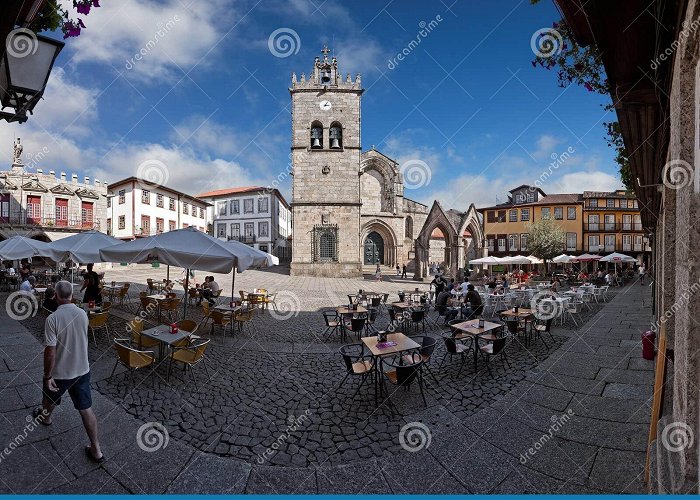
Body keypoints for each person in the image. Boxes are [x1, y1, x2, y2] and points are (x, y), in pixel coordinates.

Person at [35, 281, 104, 462]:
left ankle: (47, 417)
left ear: (55, 296)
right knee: (85, 408)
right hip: (82, 369)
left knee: (49, 397)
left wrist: (47, 375)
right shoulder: (83, 313)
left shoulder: (53, 319)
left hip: (60, 372)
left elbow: (50, 351)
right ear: (72, 295)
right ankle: (96, 448)